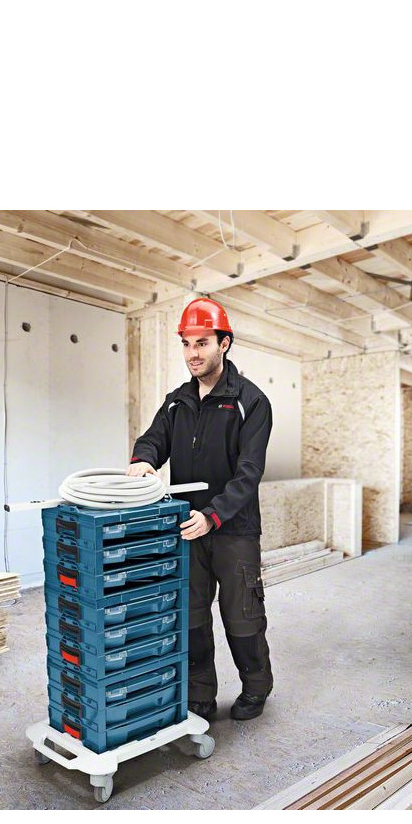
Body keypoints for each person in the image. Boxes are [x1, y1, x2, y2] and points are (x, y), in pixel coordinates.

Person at [127, 297, 275, 721]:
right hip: (186, 527)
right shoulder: (178, 402)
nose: (193, 353)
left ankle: (256, 688)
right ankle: (200, 694)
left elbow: (249, 472)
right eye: (187, 343)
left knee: (242, 616)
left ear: (224, 343)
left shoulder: (251, 401)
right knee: (191, 617)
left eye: (202, 343)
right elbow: (154, 438)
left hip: (233, 529)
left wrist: (213, 515)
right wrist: (143, 460)